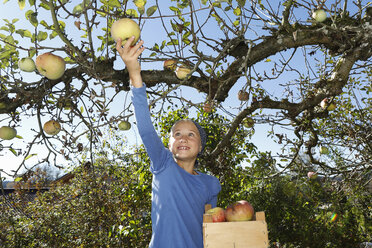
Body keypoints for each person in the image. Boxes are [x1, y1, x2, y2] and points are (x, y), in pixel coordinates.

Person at [116, 36, 221, 248]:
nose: (183, 137)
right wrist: (134, 72)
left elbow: (212, 229)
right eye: (177, 134)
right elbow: (145, 129)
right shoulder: (163, 164)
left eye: (191, 134)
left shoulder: (211, 184)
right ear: (169, 144)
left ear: (200, 147)